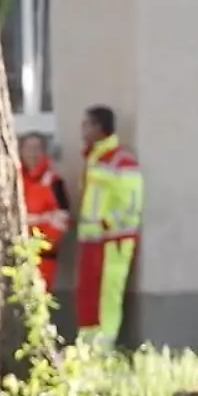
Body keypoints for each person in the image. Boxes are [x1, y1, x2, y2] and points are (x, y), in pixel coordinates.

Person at [77, 106, 142, 348]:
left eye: (87, 125)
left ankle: (103, 348)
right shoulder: (94, 158)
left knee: (108, 296)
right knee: (89, 294)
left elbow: (132, 201)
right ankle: (86, 347)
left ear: (99, 127)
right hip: (92, 240)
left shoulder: (120, 160)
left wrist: (109, 224)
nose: (83, 131)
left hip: (113, 240)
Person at [19, 132, 70, 291]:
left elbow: (63, 220)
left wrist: (43, 245)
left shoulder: (54, 181)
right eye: (28, 148)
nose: (32, 153)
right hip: (17, 254)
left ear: (43, 153)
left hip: (43, 257)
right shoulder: (13, 179)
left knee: (38, 304)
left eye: (36, 149)